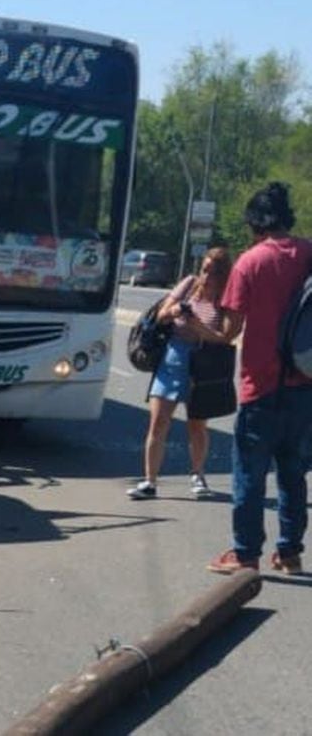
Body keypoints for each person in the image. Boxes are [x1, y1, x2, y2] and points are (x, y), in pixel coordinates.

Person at [204, 182, 312, 575]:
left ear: (255, 223)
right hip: (304, 384)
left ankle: (245, 552)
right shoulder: (309, 253)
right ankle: (290, 552)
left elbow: (228, 330)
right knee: (294, 474)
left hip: (261, 387)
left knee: (249, 475)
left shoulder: (250, 263)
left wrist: (196, 326)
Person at [128, 247, 234, 500]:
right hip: (172, 359)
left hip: (202, 364)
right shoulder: (188, 285)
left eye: (214, 272)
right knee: (158, 422)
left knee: (196, 425)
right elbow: (161, 314)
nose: (207, 277)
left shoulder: (225, 297)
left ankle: (197, 475)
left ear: (224, 275)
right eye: (205, 269)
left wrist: (197, 326)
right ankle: (149, 481)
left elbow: (224, 337)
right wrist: (174, 312)